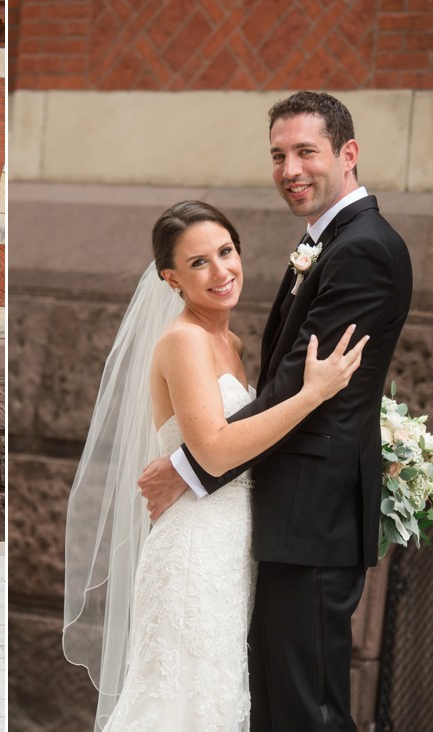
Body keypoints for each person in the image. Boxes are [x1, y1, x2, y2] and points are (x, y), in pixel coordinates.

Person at [139, 92, 413, 730]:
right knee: (273, 700)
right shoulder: (325, 243)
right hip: (279, 513)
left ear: (348, 154)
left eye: (306, 152)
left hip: (312, 515)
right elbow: (293, 383)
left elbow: (298, 382)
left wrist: (190, 464)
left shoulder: (363, 248)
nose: (290, 169)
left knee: (307, 706)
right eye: (278, 155)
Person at [64, 200, 368, 730]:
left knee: (217, 699)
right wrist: (312, 395)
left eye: (226, 251)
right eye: (199, 262)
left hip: (232, 548)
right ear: (172, 278)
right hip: (194, 548)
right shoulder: (184, 340)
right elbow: (216, 450)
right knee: (182, 701)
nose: (222, 271)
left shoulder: (231, 342)